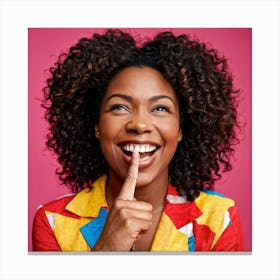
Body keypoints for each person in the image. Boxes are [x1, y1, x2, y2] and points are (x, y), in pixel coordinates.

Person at [32, 29, 244, 252]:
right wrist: (108, 247)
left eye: (160, 108)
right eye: (119, 107)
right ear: (96, 126)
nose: (140, 124)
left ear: (181, 128)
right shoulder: (53, 221)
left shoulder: (219, 218)